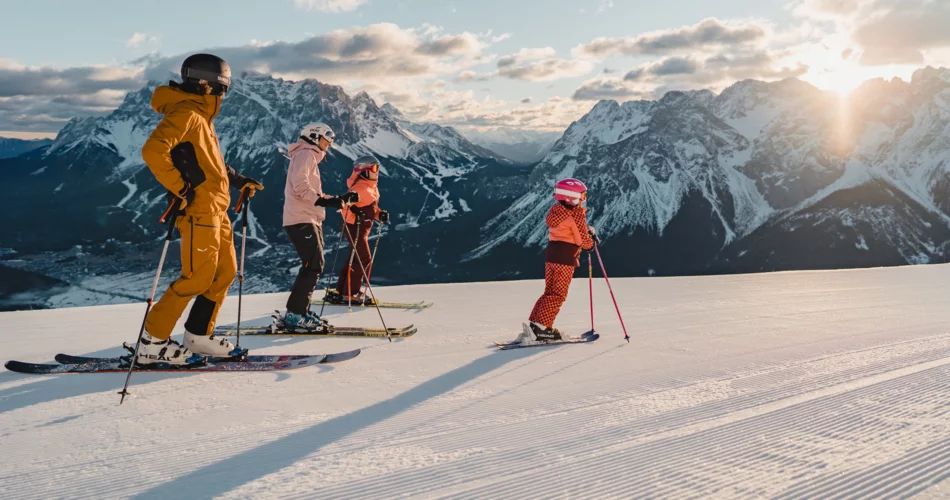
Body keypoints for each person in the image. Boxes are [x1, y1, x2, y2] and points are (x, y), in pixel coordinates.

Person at [136, 53, 264, 364]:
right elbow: (153, 151)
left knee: (224, 273)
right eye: (224, 87)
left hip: (216, 211)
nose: (225, 93)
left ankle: (198, 336)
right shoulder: (188, 114)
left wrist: (237, 179)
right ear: (210, 86)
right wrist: (180, 188)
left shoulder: (200, 118)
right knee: (195, 279)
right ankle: (151, 343)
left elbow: (210, 162)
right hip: (199, 213)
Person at [281, 122, 359, 330]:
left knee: (313, 265)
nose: (330, 143)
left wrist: (339, 199)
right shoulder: (305, 154)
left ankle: (299, 311)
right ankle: (295, 315)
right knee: (313, 265)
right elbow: (301, 187)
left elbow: (312, 193)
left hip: (309, 217)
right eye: (327, 138)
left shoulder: (308, 157)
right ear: (315, 137)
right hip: (301, 218)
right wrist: (323, 202)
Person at [521, 178, 596, 342]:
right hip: (565, 259)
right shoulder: (575, 215)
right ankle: (542, 329)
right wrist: (591, 244)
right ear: (571, 197)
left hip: (551, 257)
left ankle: (535, 324)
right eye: (582, 196)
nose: (583, 200)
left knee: (549, 292)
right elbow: (581, 240)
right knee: (558, 295)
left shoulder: (556, 211)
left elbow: (568, 231)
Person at [324, 155, 389, 305]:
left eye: (377, 167)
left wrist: (379, 214)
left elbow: (368, 206)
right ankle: (350, 293)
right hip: (355, 228)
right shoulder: (361, 188)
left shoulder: (370, 186)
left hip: (361, 228)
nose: (377, 171)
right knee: (363, 258)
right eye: (374, 168)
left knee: (355, 258)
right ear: (364, 171)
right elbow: (344, 203)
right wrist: (354, 217)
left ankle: (342, 290)